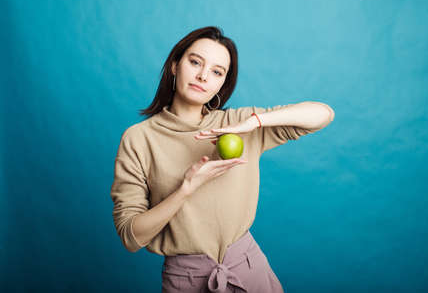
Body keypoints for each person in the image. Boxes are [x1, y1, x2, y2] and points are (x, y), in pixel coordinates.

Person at [110, 26, 334, 293]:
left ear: (222, 84)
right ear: (174, 65)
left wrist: (254, 122)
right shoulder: (138, 139)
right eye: (195, 62)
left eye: (217, 72)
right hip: (186, 282)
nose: (203, 76)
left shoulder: (237, 124)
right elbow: (131, 236)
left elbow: (323, 114)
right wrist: (187, 188)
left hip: (250, 270)